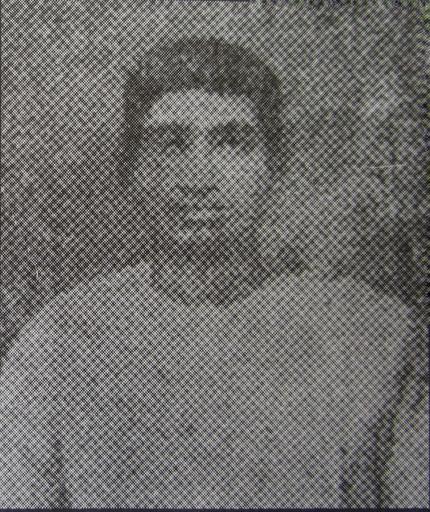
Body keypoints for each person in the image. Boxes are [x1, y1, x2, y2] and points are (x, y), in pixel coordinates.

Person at [0, 37, 418, 508]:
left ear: (274, 165)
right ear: (133, 169)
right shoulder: (58, 346)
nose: (198, 178)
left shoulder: (373, 335)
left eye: (231, 143)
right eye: (170, 144)